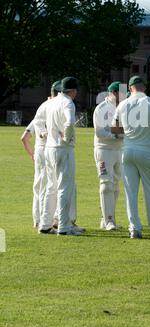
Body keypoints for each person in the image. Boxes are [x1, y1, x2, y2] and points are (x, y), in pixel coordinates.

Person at [112, 76, 150, 240]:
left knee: (130, 192)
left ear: (130, 88)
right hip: (146, 150)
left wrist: (130, 131)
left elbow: (114, 128)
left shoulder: (122, 104)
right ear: (144, 87)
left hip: (128, 150)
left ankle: (134, 229)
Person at [39, 76, 81, 236]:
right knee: (64, 187)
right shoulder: (68, 103)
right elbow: (69, 122)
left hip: (49, 147)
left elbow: (39, 121)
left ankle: (45, 224)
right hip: (63, 148)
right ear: (73, 90)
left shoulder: (51, 102)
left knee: (51, 187)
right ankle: (64, 226)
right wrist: (66, 137)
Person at [21, 81, 62, 228]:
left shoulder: (41, 108)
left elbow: (24, 138)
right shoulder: (55, 108)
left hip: (39, 149)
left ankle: (37, 219)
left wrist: (32, 154)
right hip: (49, 149)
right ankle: (48, 220)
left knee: (39, 186)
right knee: (50, 186)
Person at [93, 81, 124, 231]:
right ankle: (109, 221)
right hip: (104, 150)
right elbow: (99, 132)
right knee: (106, 184)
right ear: (113, 93)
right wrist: (116, 136)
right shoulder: (101, 109)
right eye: (120, 93)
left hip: (119, 151)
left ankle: (107, 218)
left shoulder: (124, 108)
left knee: (116, 185)